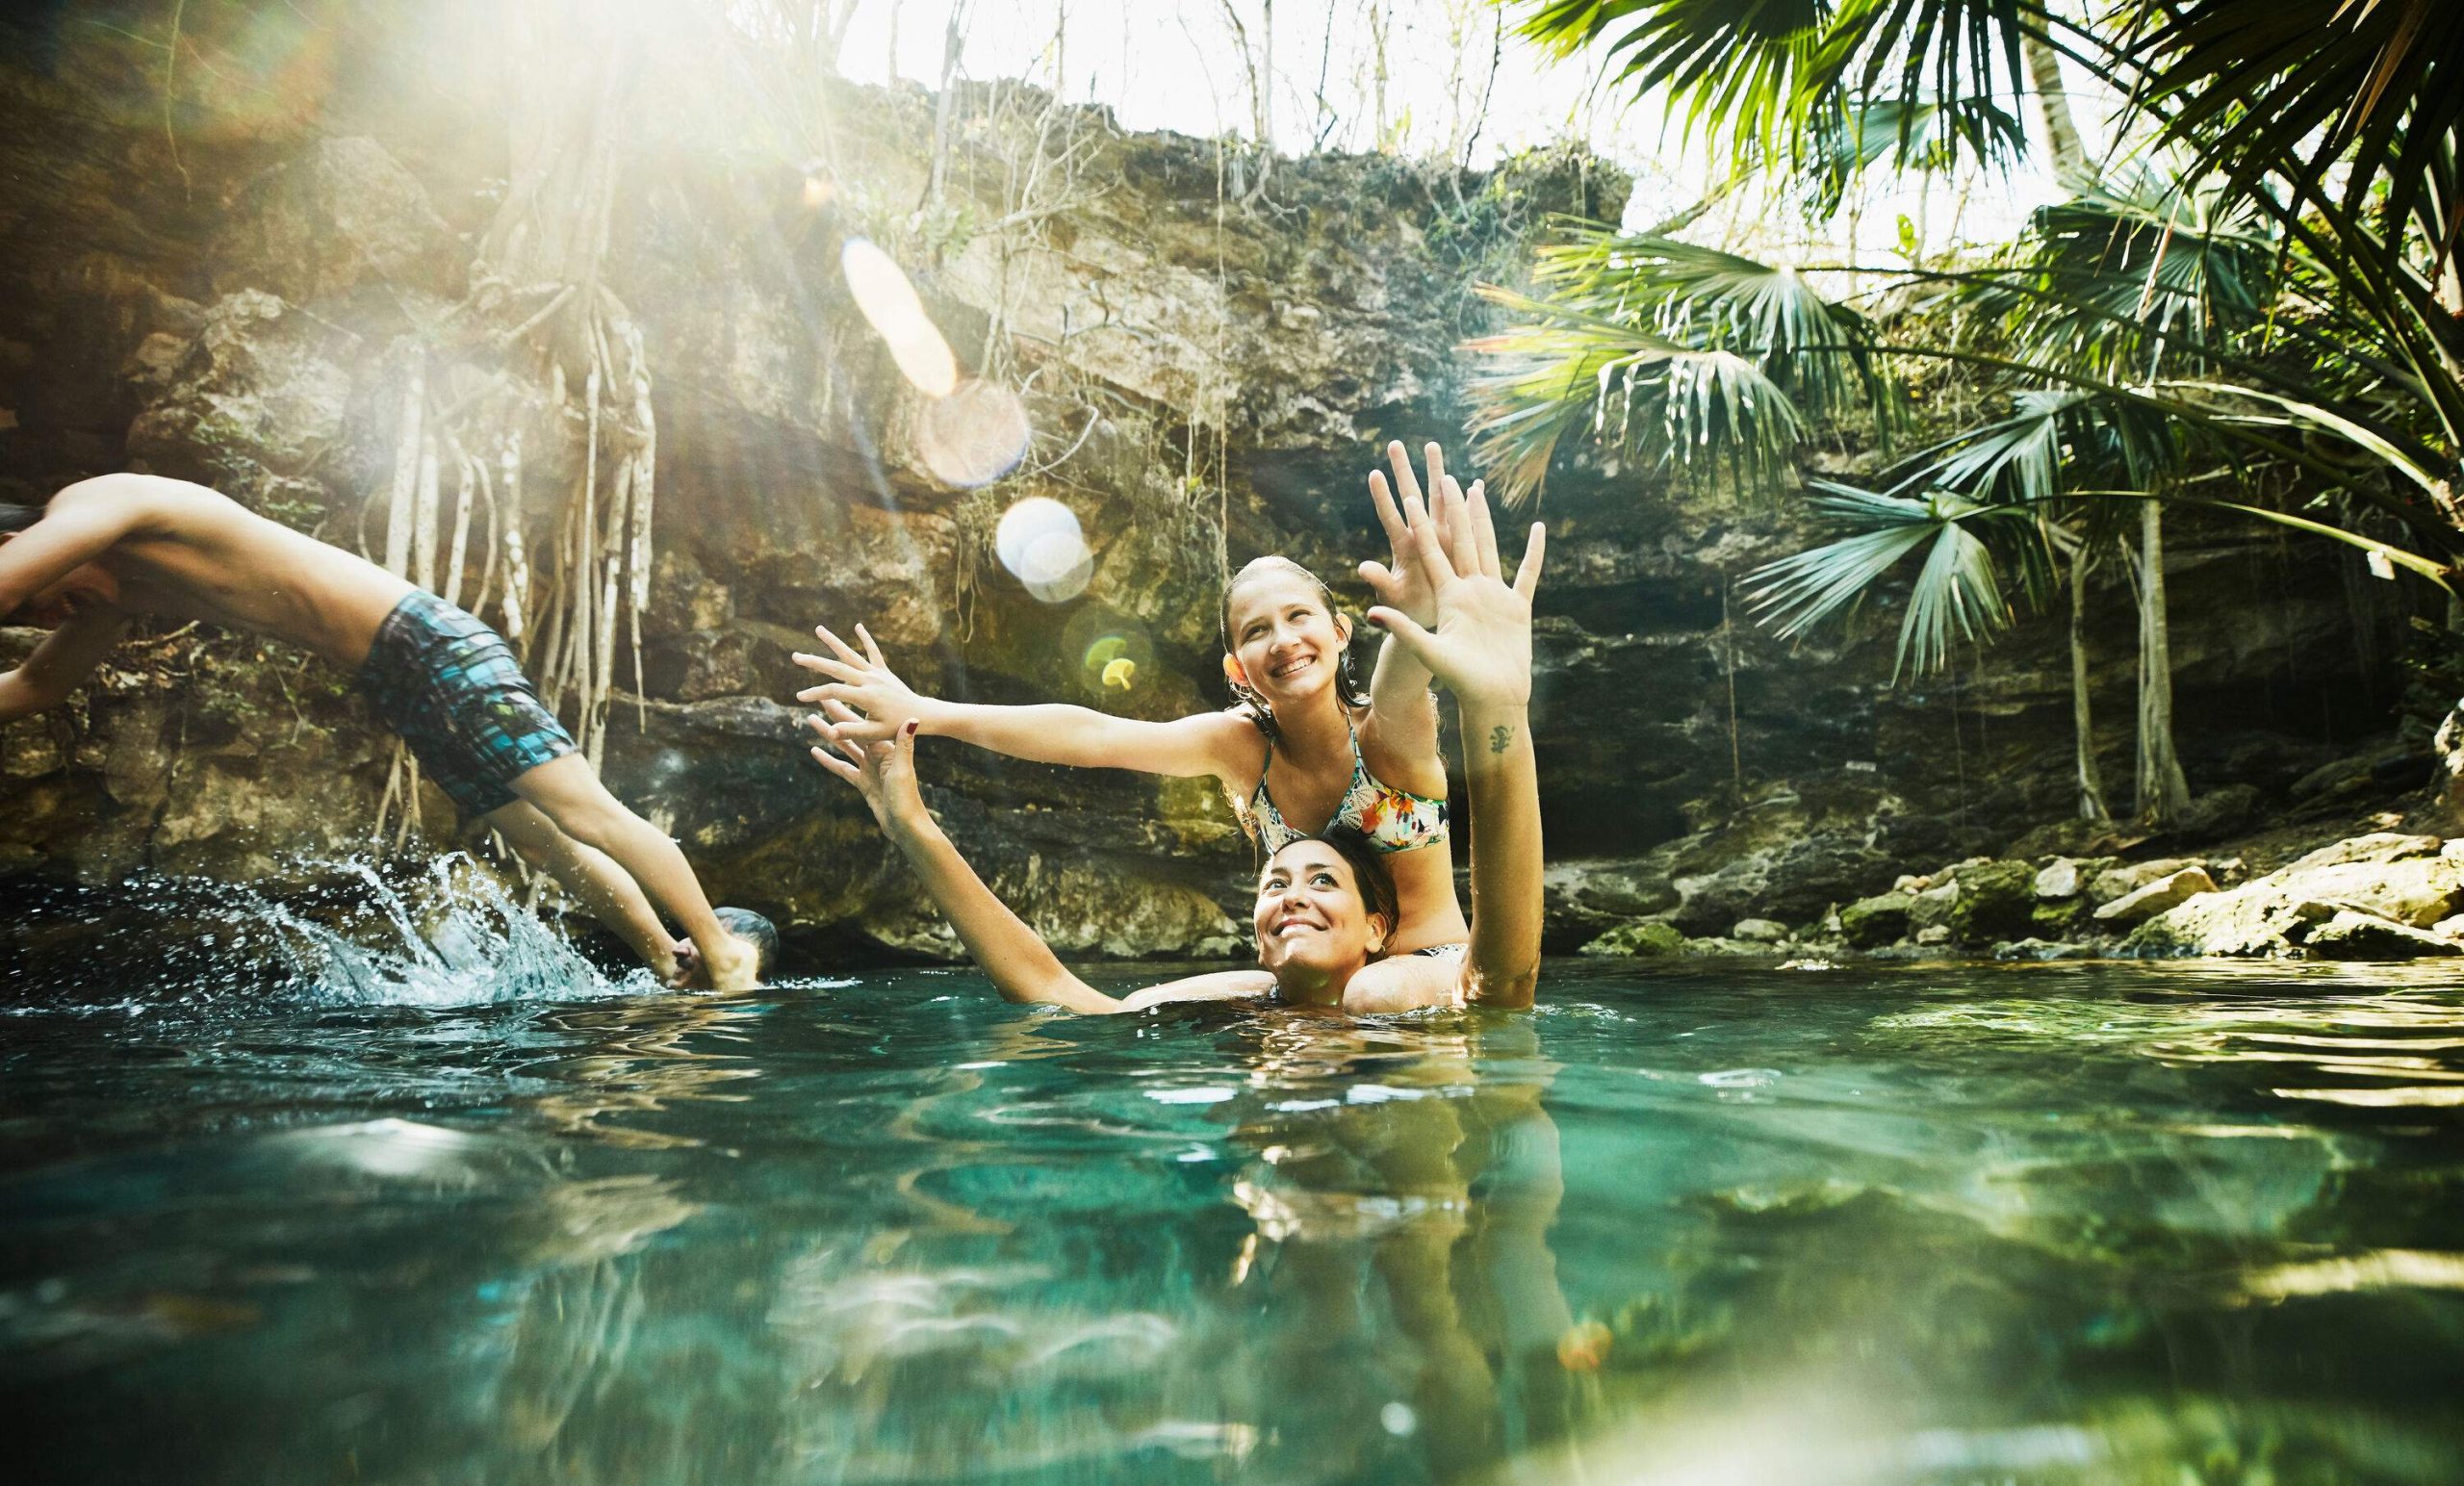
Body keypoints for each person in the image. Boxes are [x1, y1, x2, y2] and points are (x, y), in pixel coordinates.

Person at [807, 472, 1543, 1016]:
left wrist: (1420, 619)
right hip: (1312, 978)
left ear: (1341, 631)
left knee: (1374, 990)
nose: (1283, 640)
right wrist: (924, 713)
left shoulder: (1385, 739)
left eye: (1298, 617)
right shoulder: (1238, 749)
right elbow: (1094, 735)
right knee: (1130, 1007)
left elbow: (1402, 680)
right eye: (1257, 632)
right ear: (1236, 668)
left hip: (1436, 967)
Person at [0, 474, 764, 990]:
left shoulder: (99, 502)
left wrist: (25, 579)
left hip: (426, 642)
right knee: (542, 837)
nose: (47, 617)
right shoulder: (105, 592)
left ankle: (721, 948)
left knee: (582, 809)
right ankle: (672, 964)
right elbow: (35, 687)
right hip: (393, 679)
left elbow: (14, 577)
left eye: (44, 598)